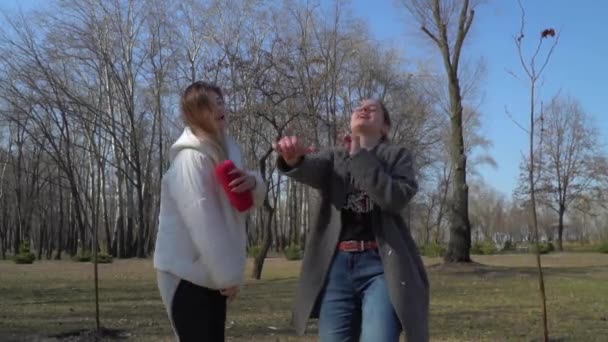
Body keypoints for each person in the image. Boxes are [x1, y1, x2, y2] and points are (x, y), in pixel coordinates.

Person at [274, 99, 429, 341]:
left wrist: (360, 157)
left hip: (381, 267)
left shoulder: (397, 156)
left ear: (385, 127)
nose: (363, 110)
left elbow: (394, 199)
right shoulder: (335, 157)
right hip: (337, 267)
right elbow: (309, 168)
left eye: (372, 108)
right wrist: (293, 160)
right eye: (359, 107)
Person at [153, 81, 266, 341]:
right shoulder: (189, 159)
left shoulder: (226, 152)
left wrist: (253, 182)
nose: (220, 107)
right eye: (210, 104)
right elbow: (203, 221)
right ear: (194, 113)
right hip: (184, 275)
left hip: (212, 275)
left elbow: (243, 205)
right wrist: (229, 276)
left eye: (221, 101)